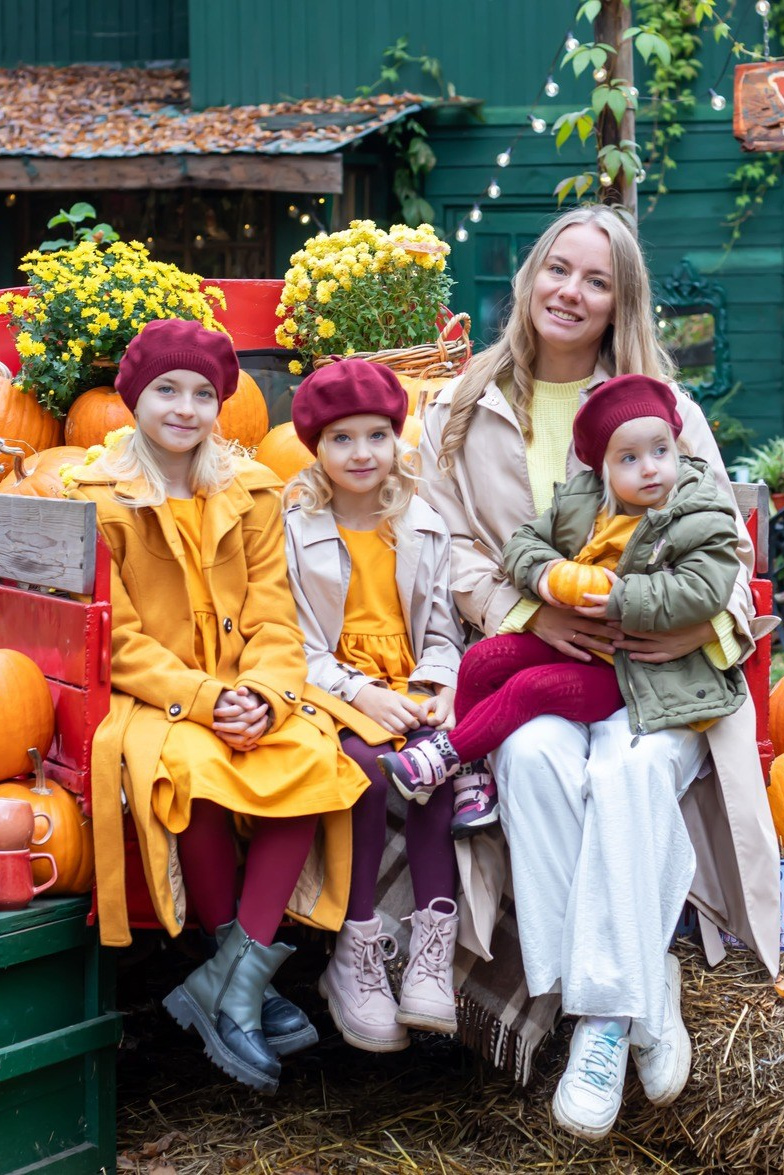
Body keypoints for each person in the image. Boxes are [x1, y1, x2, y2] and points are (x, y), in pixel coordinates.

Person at [417, 203, 780, 1141]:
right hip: (548, 656)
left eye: (597, 280)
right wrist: (528, 613)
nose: (571, 292)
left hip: (660, 674)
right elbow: (448, 547)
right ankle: (640, 990)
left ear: (622, 301)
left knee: (629, 774)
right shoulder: (460, 406)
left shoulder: (664, 409)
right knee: (532, 759)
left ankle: (602, 1023)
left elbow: (728, 554)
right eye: (558, 269)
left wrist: (690, 626)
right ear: (531, 275)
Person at [65, 318, 373, 1095]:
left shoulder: (250, 491)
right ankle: (245, 989)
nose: (185, 407)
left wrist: (263, 696)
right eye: (167, 390)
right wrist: (205, 699)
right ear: (133, 398)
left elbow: (275, 616)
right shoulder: (99, 498)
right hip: (156, 698)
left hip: (250, 689)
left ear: (220, 404)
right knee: (193, 771)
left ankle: (230, 986)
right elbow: (120, 640)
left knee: (309, 756)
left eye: (203, 393)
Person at [378, 374, 747, 798]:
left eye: (661, 451)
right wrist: (544, 574)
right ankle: (474, 776)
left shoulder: (700, 513)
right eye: (629, 458)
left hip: (635, 669)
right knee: (482, 659)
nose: (650, 467)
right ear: (603, 468)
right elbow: (524, 543)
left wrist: (622, 598)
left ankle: (442, 759)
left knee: (530, 688)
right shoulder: (583, 502)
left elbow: (705, 588)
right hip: (581, 642)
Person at [283, 358, 469, 1053]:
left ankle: (431, 950)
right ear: (316, 447)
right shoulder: (295, 529)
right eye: (341, 439)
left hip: (408, 686)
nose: (361, 453)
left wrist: (435, 686)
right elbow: (295, 643)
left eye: (376, 436)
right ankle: (355, 947)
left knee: (433, 767)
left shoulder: (422, 524)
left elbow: (444, 631)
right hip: (334, 691)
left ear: (397, 440)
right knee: (364, 766)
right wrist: (360, 692)